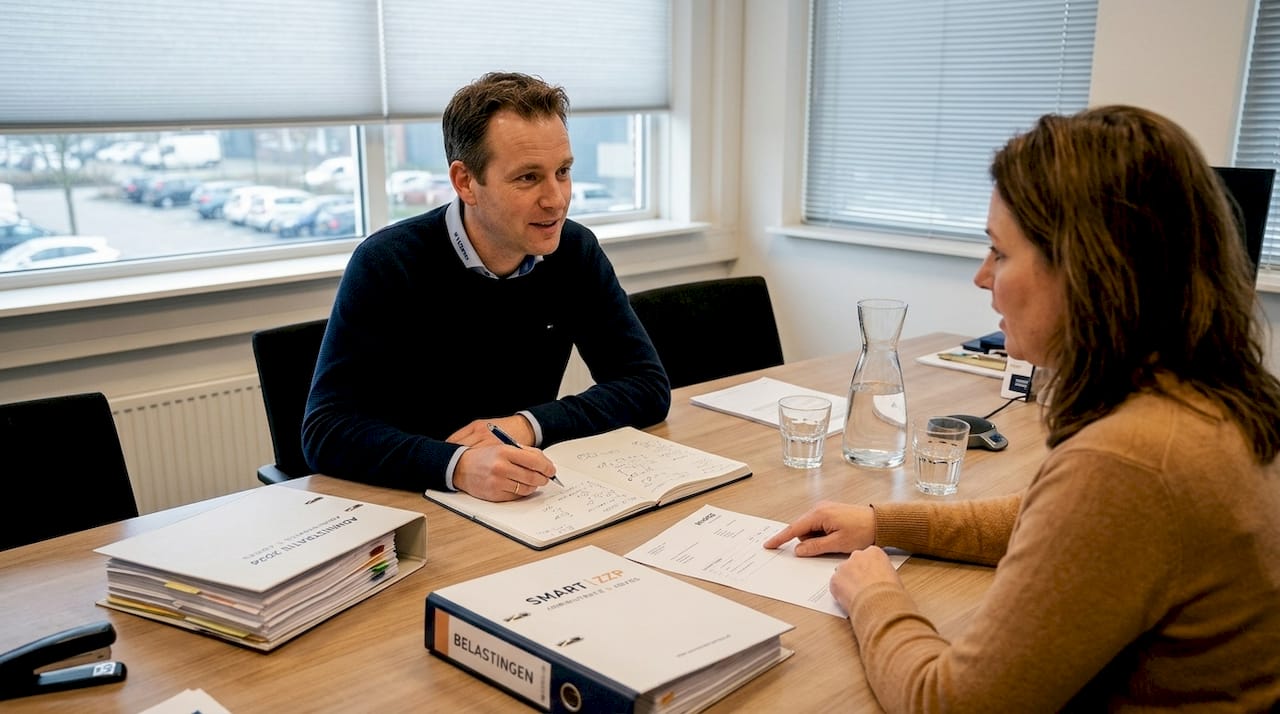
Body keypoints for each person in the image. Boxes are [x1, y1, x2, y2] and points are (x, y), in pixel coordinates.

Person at [764, 105, 1280, 711]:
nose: (983, 277)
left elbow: (950, 705)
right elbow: (1048, 518)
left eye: (1000, 253)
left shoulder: (1131, 460)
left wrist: (874, 594)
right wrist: (884, 525)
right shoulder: (1215, 399)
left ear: (1087, 268)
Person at [302, 72, 670, 502]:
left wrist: (528, 424)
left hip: (525, 495)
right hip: (410, 499)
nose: (556, 199)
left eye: (563, 171)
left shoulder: (573, 250)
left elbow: (645, 385)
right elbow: (326, 430)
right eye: (528, 177)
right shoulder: (388, 262)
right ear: (465, 182)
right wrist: (455, 465)